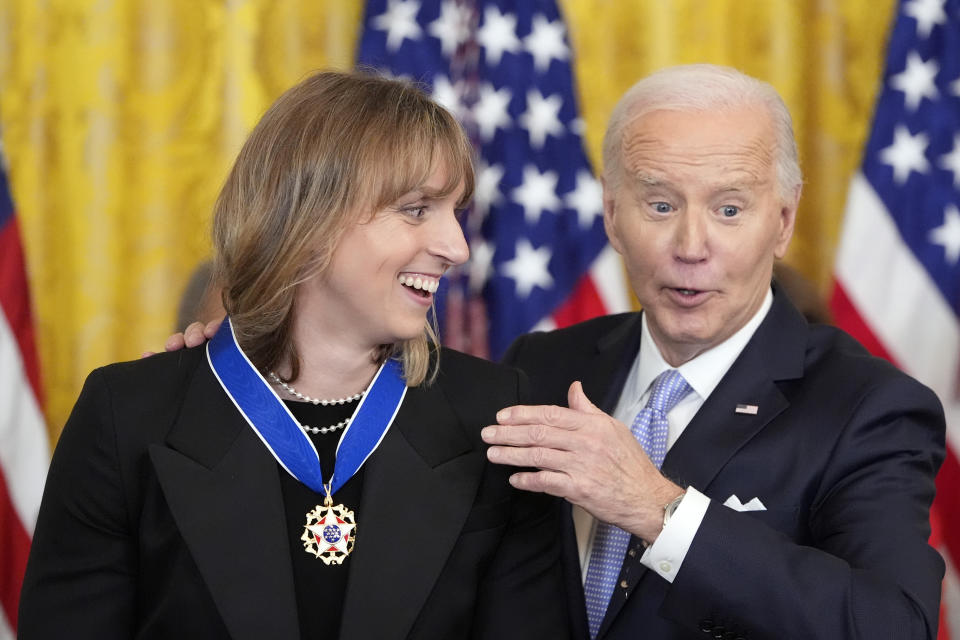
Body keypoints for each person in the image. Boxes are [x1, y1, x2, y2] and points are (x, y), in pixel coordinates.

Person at [19, 71, 569, 639]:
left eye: (455, 211)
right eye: (416, 209)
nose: (456, 247)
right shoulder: (128, 415)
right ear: (309, 218)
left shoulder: (500, 420)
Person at [480, 65, 945, 639]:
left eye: (728, 209)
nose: (691, 247)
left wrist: (659, 510)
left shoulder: (870, 407)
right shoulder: (542, 364)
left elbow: (893, 627)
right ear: (611, 214)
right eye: (659, 205)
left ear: (783, 220)